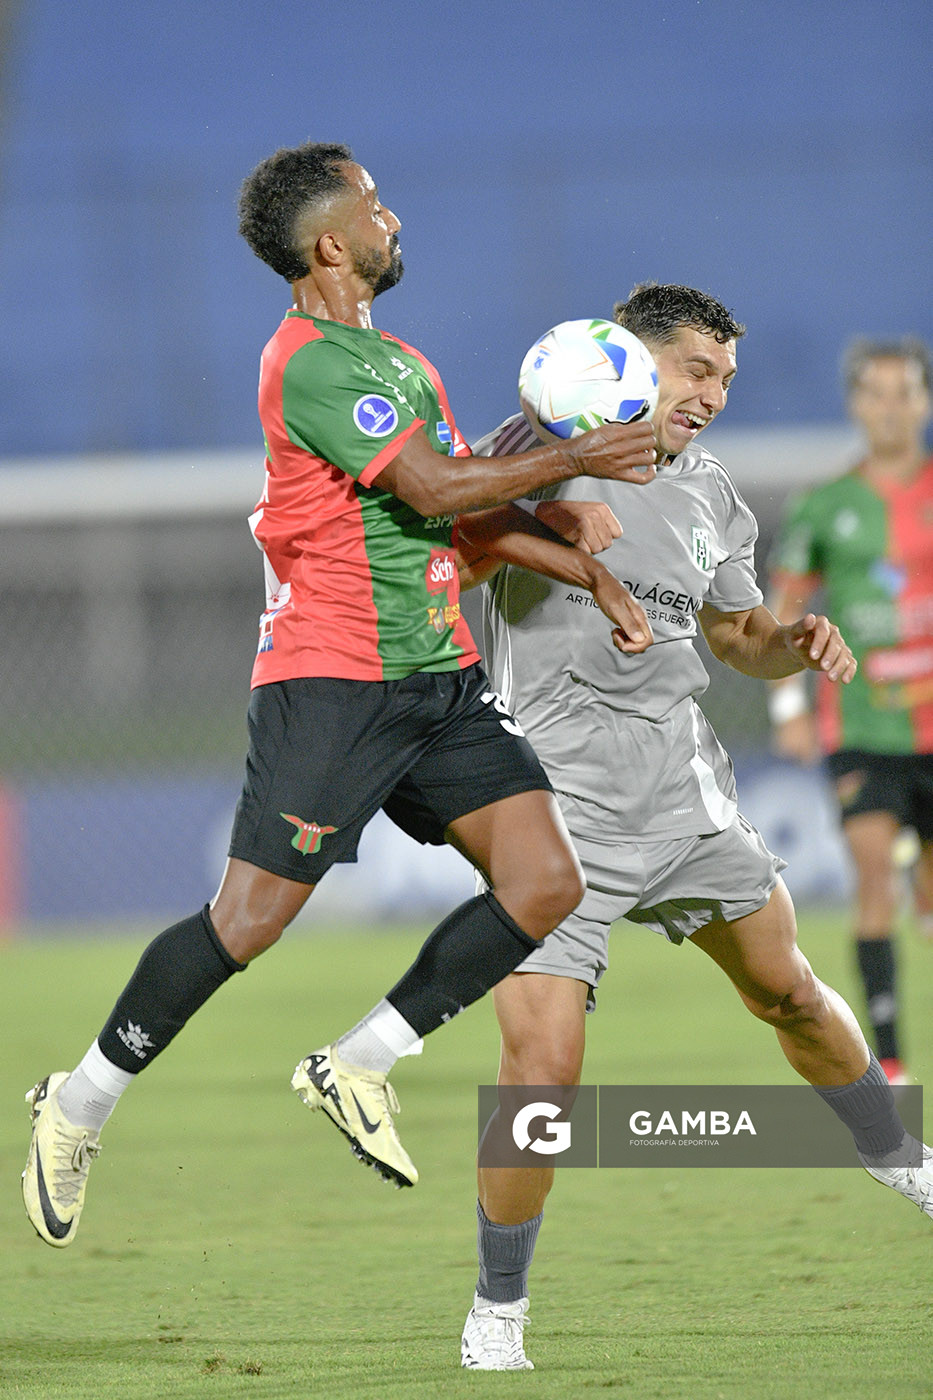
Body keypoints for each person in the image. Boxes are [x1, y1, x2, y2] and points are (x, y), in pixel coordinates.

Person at [21, 141, 664, 1249]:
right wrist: (587, 456)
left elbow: (460, 516)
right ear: (331, 245)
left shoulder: (401, 361)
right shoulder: (309, 362)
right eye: (373, 205)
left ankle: (360, 1060)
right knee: (249, 922)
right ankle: (78, 1103)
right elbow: (435, 483)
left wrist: (588, 563)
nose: (392, 216)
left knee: (547, 879)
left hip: (435, 676)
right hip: (332, 681)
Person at [450, 285, 932, 1371]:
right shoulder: (535, 452)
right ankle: (500, 1305)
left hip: (683, 791)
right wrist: (550, 505)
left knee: (786, 988)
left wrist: (793, 640)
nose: (712, 395)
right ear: (628, 362)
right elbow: (460, 559)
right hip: (553, 808)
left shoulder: (715, 492)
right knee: (542, 1069)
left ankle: (895, 1147)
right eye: (695, 371)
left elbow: (735, 636)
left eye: (724, 378)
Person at [769, 338, 933, 1085]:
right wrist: (786, 704)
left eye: (904, 393)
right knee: (872, 872)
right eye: (876, 393)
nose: (890, 408)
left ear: (923, 402)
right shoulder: (823, 504)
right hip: (861, 726)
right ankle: (890, 1059)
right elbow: (785, 609)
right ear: (854, 404)